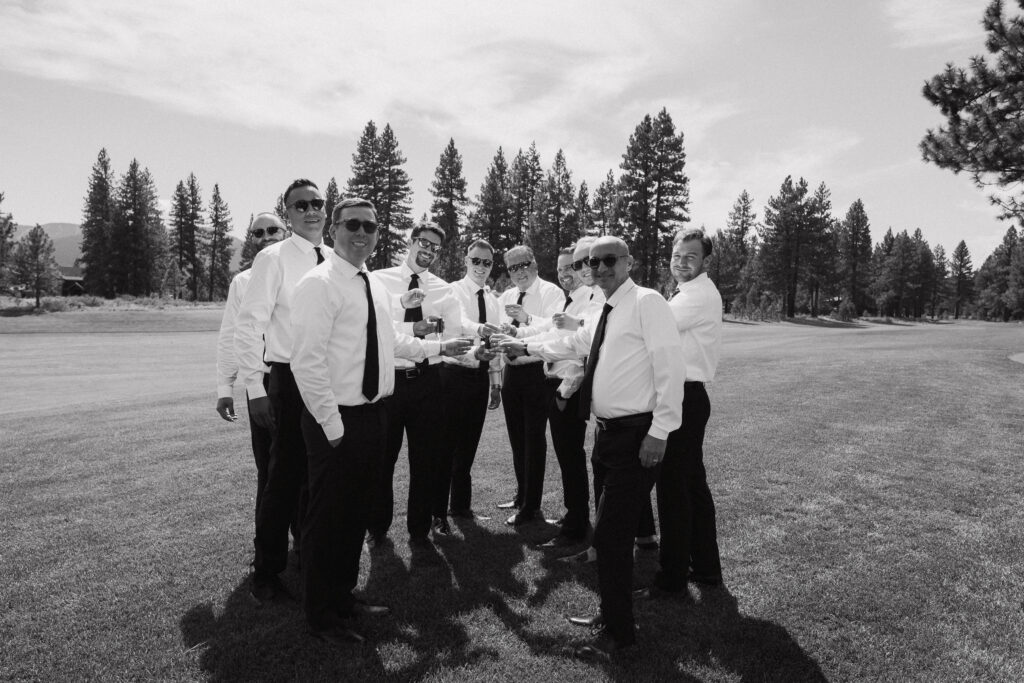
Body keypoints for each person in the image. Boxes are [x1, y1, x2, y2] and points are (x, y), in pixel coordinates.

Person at [290, 198, 471, 645]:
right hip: (337, 421)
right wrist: (334, 429)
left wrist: (438, 349)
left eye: (370, 226)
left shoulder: (368, 282)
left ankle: (343, 597)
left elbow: (388, 340)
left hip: (373, 415)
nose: (362, 233)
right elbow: (307, 364)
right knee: (328, 519)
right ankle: (320, 615)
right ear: (335, 228)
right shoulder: (320, 283)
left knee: (354, 518)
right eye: (353, 224)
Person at [496, 236, 685, 659]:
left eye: (608, 260)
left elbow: (671, 366)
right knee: (609, 533)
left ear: (629, 262)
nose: (598, 268)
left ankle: (618, 635)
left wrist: (660, 432)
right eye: (591, 262)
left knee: (614, 538)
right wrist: (524, 346)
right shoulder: (606, 307)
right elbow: (575, 344)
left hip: (637, 434)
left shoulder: (647, 302)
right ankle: (610, 615)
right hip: (609, 433)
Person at [234, 179, 327, 604]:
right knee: (283, 477)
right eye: (300, 205)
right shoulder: (274, 258)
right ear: (287, 213)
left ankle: (312, 557)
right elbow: (250, 324)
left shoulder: (337, 257)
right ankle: (266, 573)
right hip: (287, 378)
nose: (311, 210)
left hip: (329, 379)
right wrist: (254, 387)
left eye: (317, 202)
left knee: (321, 476)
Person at [370, 221, 469, 543]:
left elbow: (455, 335)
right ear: (410, 242)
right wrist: (414, 329)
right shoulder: (379, 280)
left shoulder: (444, 289)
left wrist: (462, 342)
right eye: (423, 243)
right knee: (383, 459)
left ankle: (419, 530)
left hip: (428, 381)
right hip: (389, 382)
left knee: (425, 460)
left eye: (435, 248)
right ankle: (377, 528)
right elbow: (376, 329)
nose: (428, 251)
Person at [653, 228, 724, 592]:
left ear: (704, 261)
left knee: (673, 489)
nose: (681, 263)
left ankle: (672, 577)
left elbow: (651, 326)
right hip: (689, 397)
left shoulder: (696, 296)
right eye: (677, 256)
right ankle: (706, 567)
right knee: (692, 486)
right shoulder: (689, 292)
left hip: (684, 398)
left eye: (691, 257)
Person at [516, 246, 600, 546]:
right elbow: (550, 332)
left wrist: (564, 393)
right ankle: (573, 515)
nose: (566, 273)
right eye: (562, 268)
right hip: (558, 385)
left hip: (568, 388)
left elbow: (581, 352)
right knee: (568, 458)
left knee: (571, 458)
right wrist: (519, 338)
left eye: (573, 267)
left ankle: (576, 526)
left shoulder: (588, 301)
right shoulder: (574, 300)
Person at [214, 213, 286, 547]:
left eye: (273, 229)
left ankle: (305, 543)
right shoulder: (243, 282)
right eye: (258, 232)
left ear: (286, 231)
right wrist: (225, 388)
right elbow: (231, 336)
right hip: (261, 384)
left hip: (304, 381)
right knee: (269, 472)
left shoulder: (308, 273)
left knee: (306, 470)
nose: (266, 235)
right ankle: (268, 551)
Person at [495, 245, 564, 526]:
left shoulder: (551, 293)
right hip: (512, 372)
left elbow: (555, 329)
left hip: (537, 372)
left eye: (523, 264)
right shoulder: (508, 295)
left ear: (534, 264)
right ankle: (521, 494)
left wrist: (526, 321)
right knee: (516, 438)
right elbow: (500, 329)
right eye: (512, 268)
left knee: (533, 439)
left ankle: (531, 507)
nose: (519, 272)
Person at [441, 239, 504, 520]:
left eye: (486, 262)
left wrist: (495, 382)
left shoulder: (493, 299)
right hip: (453, 376)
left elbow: (495, 342)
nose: (481, 267)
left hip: (479, 378)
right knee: (446, 447)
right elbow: (458, 327)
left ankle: (461, 508)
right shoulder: (452, 291)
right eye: (476, 261)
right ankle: (437, 512)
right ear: (466, 261)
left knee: (468, 444)